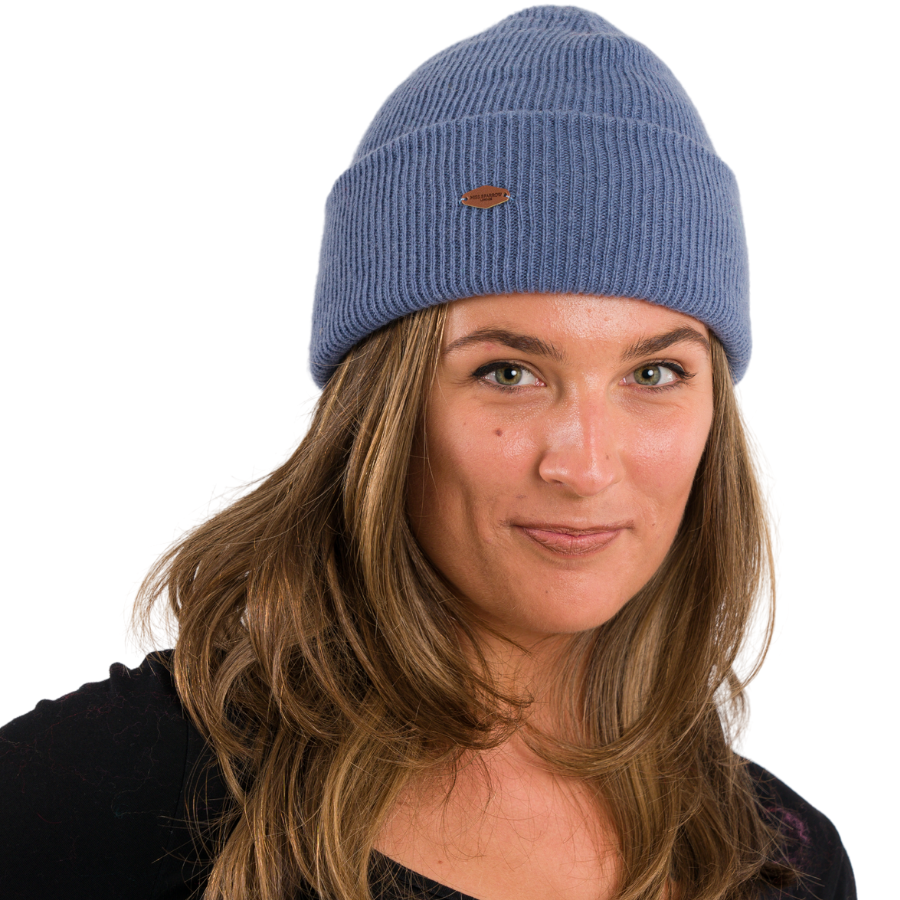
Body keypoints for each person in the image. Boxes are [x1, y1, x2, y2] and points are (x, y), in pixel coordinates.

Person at [0, 6, 856, 900]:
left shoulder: (782, 861)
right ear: (382, 411)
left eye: (654, 372)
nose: (585, 466)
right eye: (508, 372)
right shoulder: (103, 791)